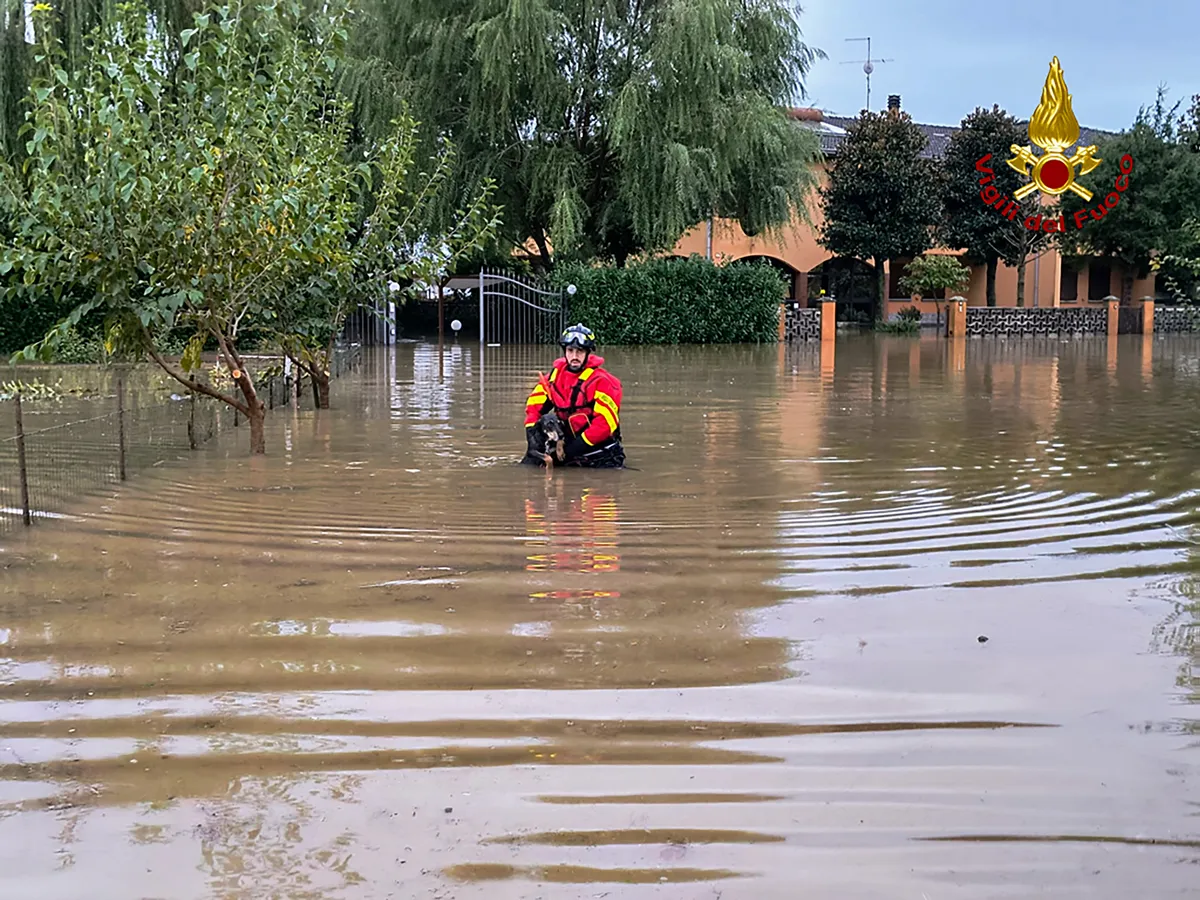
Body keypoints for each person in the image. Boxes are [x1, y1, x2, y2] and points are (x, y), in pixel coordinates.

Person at [524, 323, 625, 468]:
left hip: (599, 455)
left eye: (580, 351)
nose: (574, 356)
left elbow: (604, 425)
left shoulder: (604, 382)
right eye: (570, 351)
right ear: (565, 351)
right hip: (565, 449)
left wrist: (572, 450)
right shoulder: (553, 377)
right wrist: (532, 437)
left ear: (588, 352)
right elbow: (533, 407)